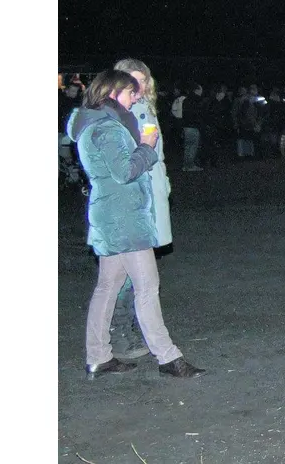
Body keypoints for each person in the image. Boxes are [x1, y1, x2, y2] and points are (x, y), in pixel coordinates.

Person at [70, 70, 204, 379]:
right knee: (147, 287)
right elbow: (125, 171)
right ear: (114, 93)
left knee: (108, 286)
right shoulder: (108, 129)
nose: (135, 99)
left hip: (109, 216)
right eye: (131, 93)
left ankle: (98, 356)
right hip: (125, 219)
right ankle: (168, 358)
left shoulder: (91, 123)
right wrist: (146, 146)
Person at [107, 57, 174, 361]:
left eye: (144, 80)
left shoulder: (145, 107)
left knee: (129, 271)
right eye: (134, 82)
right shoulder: (122, 113)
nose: (141, 87)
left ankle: (125, 332)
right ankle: (120, 334)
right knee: (129, 272)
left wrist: (165, 183)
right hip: (136, 197)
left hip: (151, 191)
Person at [170, 81, 205, 172]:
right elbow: (196, 114)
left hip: (185, 125)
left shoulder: (185, 99)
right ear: (197, 90)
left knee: (187, 146)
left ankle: (186, 165)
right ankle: (190, 165)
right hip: (193, 126)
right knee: (193, 146)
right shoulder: (196, 100)